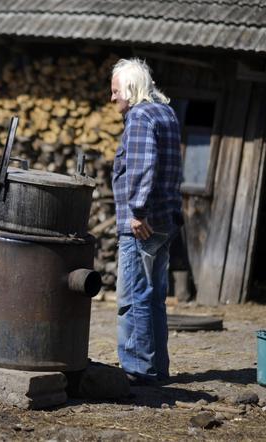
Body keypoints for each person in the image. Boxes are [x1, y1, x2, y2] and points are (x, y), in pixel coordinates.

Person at [110, 58, 183, 385]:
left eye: (115, 91)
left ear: (130, 89)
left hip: (144, 223)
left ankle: (138, 371)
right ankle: (157, 370)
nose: (112, 99)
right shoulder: (165, 113)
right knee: (154, 298)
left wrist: (137, 212)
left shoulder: (139, 117)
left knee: (133, 297)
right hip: (166, 219)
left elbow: (142, 167)